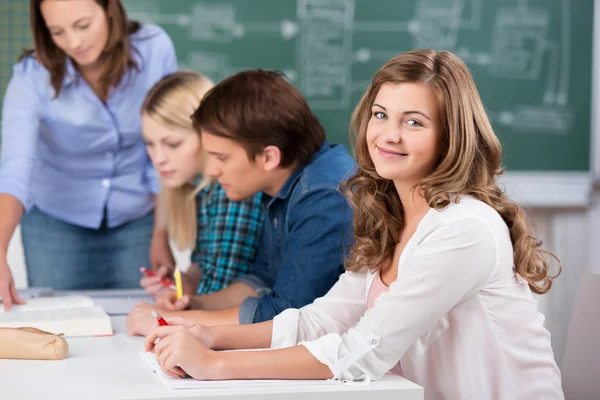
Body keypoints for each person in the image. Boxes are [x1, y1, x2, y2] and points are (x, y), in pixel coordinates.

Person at [143, 50, 564, 399]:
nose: (389, 135)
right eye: (380, 115)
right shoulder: (391, 216)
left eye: (413, 122)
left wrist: (215, 364)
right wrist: (207, 335)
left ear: (450, 136)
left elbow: (361, 352)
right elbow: (319, 320)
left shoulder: (464, 227)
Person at [127, 69, 355, 335]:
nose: (210, 171)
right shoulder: (280, 186)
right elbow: (262, 280)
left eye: (221, 158)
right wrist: (192, 304)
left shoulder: (323, 198)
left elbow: (287, 315)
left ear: (269, 157)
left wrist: (167, 321)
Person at [0, 0, 178, 311]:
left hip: (137, 220)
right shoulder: (31, 77)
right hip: (55, 223)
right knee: (65, 327)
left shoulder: (154, 49)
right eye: (57, 32)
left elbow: (161, 154)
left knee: (143, 323)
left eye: (83, 25)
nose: (74, 42)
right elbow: (16, 169)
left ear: (110, 8)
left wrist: (161, 233)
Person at [136, 70, 263, 302]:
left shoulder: (232, 189)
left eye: (173, 144)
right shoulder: (199, 188)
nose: (158, 158)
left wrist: (175, 306)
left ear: (208, 135)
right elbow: (206, 266)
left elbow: (221, 289)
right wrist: (181, 283)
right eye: (149, 144)